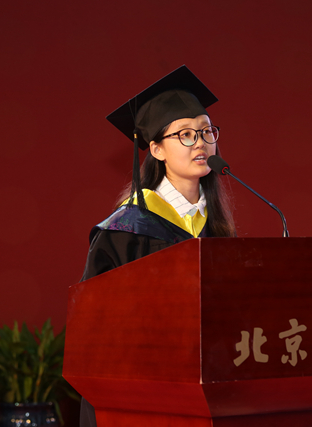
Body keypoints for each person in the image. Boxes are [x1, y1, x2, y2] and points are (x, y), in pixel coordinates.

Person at [78, 65, 236, 427]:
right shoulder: (126, 230)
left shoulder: (215, 229)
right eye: (185, 134)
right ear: (156, 149)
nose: (200, 142)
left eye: (206, 131)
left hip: (204, 395)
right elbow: (95, 329)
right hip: (142, 397)